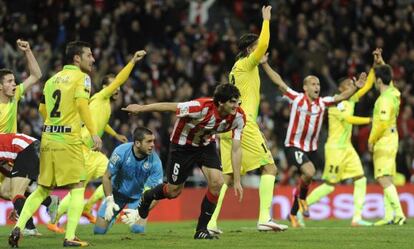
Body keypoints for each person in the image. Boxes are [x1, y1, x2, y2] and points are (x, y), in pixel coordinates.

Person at [8, 41, 102, 248]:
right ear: (77, 58)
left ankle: (19, 227)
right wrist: (92, 132)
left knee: (42, 189)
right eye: (89, 55)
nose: (93, 59)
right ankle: (69, 237)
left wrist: (56, 123)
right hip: (68, 140)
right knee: (78, 186)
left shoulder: (51, 80)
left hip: (48, 139)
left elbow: (43, 109)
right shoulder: (82, 78)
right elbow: (81, 104)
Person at [121, 83, 245, 239]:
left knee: (217, 183)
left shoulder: (239, 117)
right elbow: (170, 106)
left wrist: (238, 180)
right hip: (182, 146)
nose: (236, 106)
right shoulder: (200, 107)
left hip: (205, 145)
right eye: (232, 102)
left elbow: (236, 149)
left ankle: (201, 230)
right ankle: (147, 197)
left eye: (237, 101)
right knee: (174, 191)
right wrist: (140, 108)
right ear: (221, 102)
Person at [207, 5, 287, 234]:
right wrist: (266, 21)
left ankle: (210, 223)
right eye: (256, 49)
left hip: (227, 125)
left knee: (227, 178)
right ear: (250, 50)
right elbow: (263, 45)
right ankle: (264, 218)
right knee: (270, 168)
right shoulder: (246, 63)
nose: (262, 52)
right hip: (243, 122)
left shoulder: (238, 68)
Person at [47, 50, 147, 233]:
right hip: (84, 145)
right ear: (105, 88)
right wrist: (132, 61)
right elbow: (119, 80)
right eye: (113, 87)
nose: (117, 89)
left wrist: (115, 134)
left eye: (116, 88)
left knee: (113, 175)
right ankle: (56, 219)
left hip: (90, 148)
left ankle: (84, 208)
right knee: (81, 185)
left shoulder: (103, 103)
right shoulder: (101, 96)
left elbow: (101, 122)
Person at [260, 56, 366, 227]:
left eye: (318, 84)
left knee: (308, 177)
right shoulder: (296, 98)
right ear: (305, 87)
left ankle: (293, 213)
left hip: (311, 148)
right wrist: (264, 64)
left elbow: (342, 97)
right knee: (309, 172)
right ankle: (302, 200)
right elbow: (279, 82)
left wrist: (355, 88)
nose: (317, 87)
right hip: (293, 145)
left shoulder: (323, 103)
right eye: (313, 84)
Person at [300, 49, 383, 228]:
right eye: (348, 83)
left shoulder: (351, 99)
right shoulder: (337, 102)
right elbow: (348, 119)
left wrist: (374, 66)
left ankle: (357, 217)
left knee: (360, 179)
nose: (352, 84)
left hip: (347, 148)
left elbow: (367, 85)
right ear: (341, 88)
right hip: (335, 148)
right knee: (330, 185)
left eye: (352, 82)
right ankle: (300, 207)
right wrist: (370, 120)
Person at [93, 127, 163, 234]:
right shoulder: (121, 152)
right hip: (117, 195)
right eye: (149, 141)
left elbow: (157, 193)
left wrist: (141, 210)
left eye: (153, 141)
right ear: (137, 143)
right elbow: (106, 177)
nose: (153, 145)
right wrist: (109, 200)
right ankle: (113, 218)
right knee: (99, 231)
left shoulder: (155, 162)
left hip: (139, 199)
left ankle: (133, 217)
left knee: (137, 229)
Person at [0, 133, 59, 236]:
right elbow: (6, 165)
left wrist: (17, 199)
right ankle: (49, 201)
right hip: (24, 150)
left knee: (15, 193)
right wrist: (17, 204)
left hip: (27, 148)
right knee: (4, 191)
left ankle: (29, 228)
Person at [369, 64, 406, 226]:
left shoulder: (383, 100)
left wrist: (371, 139)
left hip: (383, 140)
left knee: (382, 177)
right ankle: (388, 216)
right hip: (393, 137)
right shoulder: (394, 93)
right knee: (389, 177)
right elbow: (387, 77)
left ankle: (399, 214)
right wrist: (381, 62)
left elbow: (382, 123)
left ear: (378, 81)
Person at [0, 39, 42, 133]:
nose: (14, 84)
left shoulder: (15, 94)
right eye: (9, 81)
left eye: (14, 81)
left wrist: (28, 51)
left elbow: (36, 75)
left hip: (11, 146)